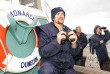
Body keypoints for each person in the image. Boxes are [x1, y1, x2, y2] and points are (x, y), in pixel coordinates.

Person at [35, 7, 80, 74]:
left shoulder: (69, 31)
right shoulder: (45, 30)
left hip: (66, 67)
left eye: (62, 14)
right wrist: (57, 42)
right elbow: (42, 52)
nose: (61, 16)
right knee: (46, 70)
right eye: (58, 14)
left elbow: (75, 54)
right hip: (51, 65)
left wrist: (74, 44)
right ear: (53, 18)